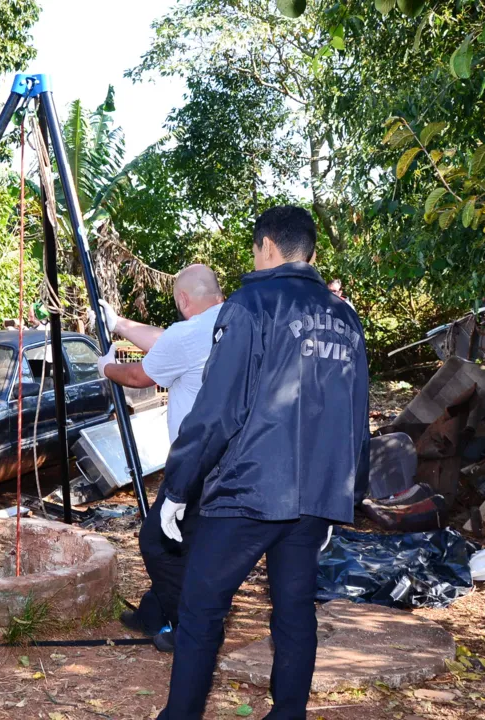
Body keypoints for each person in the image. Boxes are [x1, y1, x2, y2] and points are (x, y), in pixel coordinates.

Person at [156, 206, 369, 720]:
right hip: (314, 496)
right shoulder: (345, 318)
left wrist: (178, 486)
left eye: (254, 249)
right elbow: (356, 416)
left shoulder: (252, 305)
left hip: (249, 492)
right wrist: (346, 497)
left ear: (267, 247)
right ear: (309, 252)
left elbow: (215, 412)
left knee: (202, 607)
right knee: (295, 612)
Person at [91, 264, 225, 652]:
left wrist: (106, 367)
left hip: (196, 461)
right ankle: (154, 611)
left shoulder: (188, 334)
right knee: (181, 538)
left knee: (157, 540)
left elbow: (138, 376)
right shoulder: (231, 320)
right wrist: (119, 324)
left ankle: (190, 628)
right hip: (228, 459)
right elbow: (167, 340)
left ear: (183, 299)